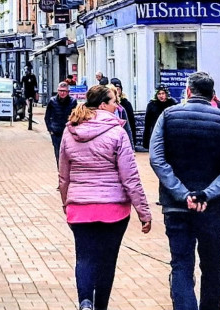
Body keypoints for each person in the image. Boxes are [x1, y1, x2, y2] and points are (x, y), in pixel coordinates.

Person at [150, 72, 220, 310]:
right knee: (212, 264)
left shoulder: (168, 116)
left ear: (188, 91)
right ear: (212, 95)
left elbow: (157, 159)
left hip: (176, 205)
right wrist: (207, 194)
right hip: (212, 208)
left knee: (181, 264)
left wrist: (182, 194)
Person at [59, 84, 151, 310]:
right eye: (113, 101)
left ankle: (85, 303)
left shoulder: (70, 130)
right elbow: (130, 177)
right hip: (114, 208)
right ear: (102, 105)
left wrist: (66, 202)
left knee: (85, 257)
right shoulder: (117, 133)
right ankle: (100, 306)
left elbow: (63, 175)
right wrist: (144, 212)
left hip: (80, 207)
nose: (117, 105)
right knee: (107, 261)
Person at [45, 80, 78, 166]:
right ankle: (60, 171)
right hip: (56, 132)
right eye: (60, 91)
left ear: (68, 92)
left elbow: (76, 117)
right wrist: (50, 130)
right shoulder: (52, 101)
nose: (62, 93)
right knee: (58, 152)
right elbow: (47, 117)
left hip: (69, 131)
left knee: (69, 152)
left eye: (64, 91)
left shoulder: (73, 102)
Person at [143, 85, 177, 150]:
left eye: (163, 93)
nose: (161, 96)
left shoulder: (173, 104)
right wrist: (146, 142)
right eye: (159, 94)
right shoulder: (152, 105)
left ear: (166, 94)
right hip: (156, 133)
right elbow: (147, 124)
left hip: (169, 133)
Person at [110, 78, 137, 144]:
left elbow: (131, 124)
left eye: (118, 89)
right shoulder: (105, 104)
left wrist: (132, 141)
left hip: (123, 137)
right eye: (114, 90)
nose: (117, 92)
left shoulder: (126, 104)